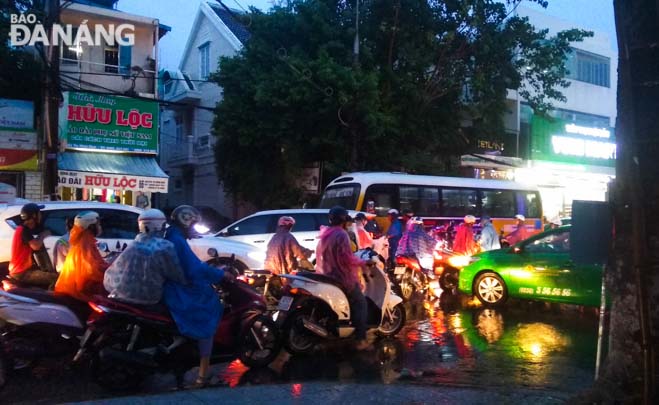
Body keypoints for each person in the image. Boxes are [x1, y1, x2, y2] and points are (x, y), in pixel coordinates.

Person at [163, 205, 234, 387]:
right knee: (210, 308)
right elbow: (193, 269)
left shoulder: (172, 235)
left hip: (175, 285)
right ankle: (203, 375)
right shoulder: (177, 239)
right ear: (186, 222)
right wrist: (220, 274)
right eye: (193, 224)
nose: (194, 229)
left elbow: (191, 263)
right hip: (180, 289)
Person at [315, 206, 371, 351]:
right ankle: (361, 339)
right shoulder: (341, 235)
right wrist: (363, 263)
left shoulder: (326, 233)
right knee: (361, 302)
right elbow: (347, 258)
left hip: (328, 274)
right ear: (343, 220)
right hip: (341, 275)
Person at [104, 209, 186, 305]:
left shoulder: (134, 244)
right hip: (149, 299)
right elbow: (176, 274)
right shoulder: (164, 246)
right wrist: (186, 282)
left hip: (120, 293)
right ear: (161, 225)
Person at [55, 211, 109, 300]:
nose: (99, 227)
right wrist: (110, 269)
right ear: (90, 226)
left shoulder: (83, 239)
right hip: (77, 294)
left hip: (72, 289)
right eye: (98, 224)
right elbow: (93, 269)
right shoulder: (85, 242)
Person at [9, 203, 58, 288]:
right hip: (21, 273)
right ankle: (50, 300)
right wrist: (43, 234)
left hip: (21, 269)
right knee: (56, 278)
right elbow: (36, 246)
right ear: (34, 216)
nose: (40, 216)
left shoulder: (23, 229)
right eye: (39, 213)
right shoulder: (24, 230)